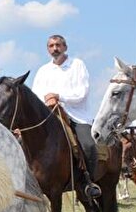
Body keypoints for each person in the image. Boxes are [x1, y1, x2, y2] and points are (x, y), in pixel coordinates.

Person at [31, 35, 102, 198]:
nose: (54, 48)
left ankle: (89, 183)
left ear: (65, 47)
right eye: (51, 46)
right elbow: (36, 96)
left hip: (75, 115)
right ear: (47, 49)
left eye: (58, 45)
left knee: (88, 144)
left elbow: (82, 93)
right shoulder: (43, 71)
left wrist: (58, 96)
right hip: (48, 117)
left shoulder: (77, 65)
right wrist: (46, 101)